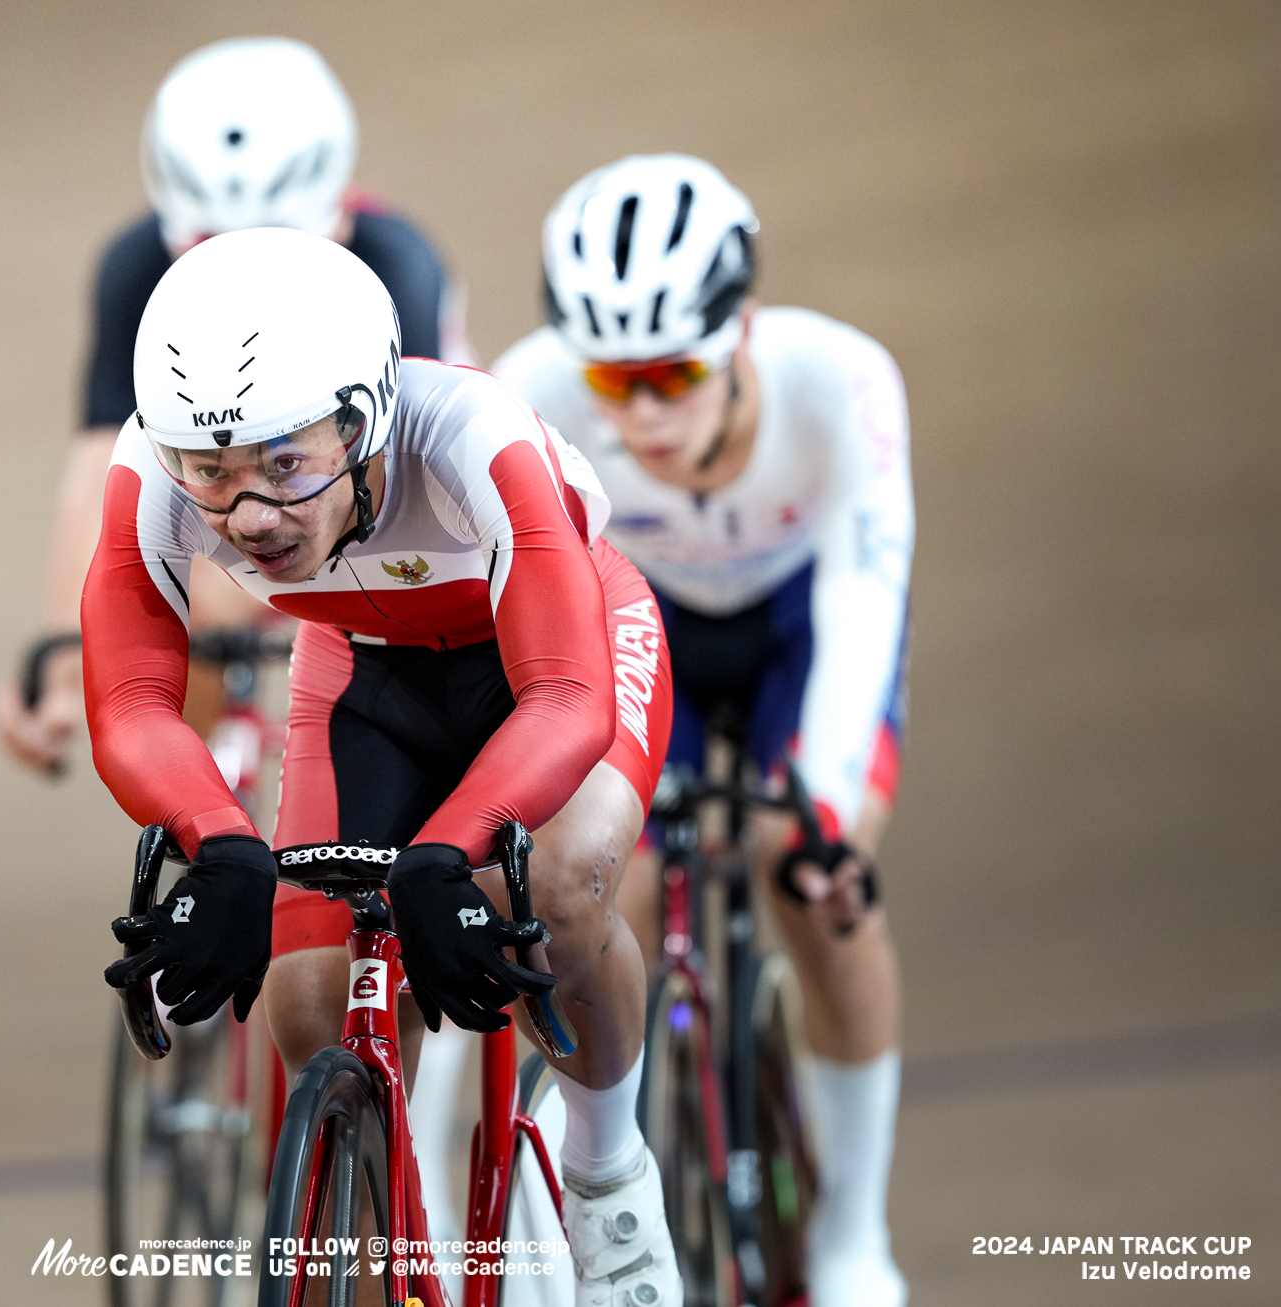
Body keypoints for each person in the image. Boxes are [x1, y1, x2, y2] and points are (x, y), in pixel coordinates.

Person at [84, 227, 681, 1306]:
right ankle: (399, 1265)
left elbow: (568, 698)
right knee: (309, 998)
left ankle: (607, 1177)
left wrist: (447, 852)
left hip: (546, 655)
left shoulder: (472, 433)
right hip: (362, 675)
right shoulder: (149, 470)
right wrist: (218, 846)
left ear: (368, 416)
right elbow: (128, 700)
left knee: (553, 881)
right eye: (209, 472)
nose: (249, 514)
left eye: (287, 462)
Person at [493, 154, 913, 1307]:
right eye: (612, 382)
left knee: (809, 875)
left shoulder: (842, 381)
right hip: (640, 618)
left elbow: (861, 603)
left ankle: (849, 1234)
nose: (644, 414)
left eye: (673, 371)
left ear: (745, 330)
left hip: (795, 626)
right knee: (589, 897)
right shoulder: (525, 392)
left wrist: (824, 814)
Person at [0, 36, 462, 772]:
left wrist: (227, 582)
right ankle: (207, 795)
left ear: (338, 221)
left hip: (374, 478)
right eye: (209, 249)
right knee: (174, 621)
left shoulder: (396, 262)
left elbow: (393, 486)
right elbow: (97, 476)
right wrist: (63, 663)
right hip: (245, 468)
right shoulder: (134, 268)